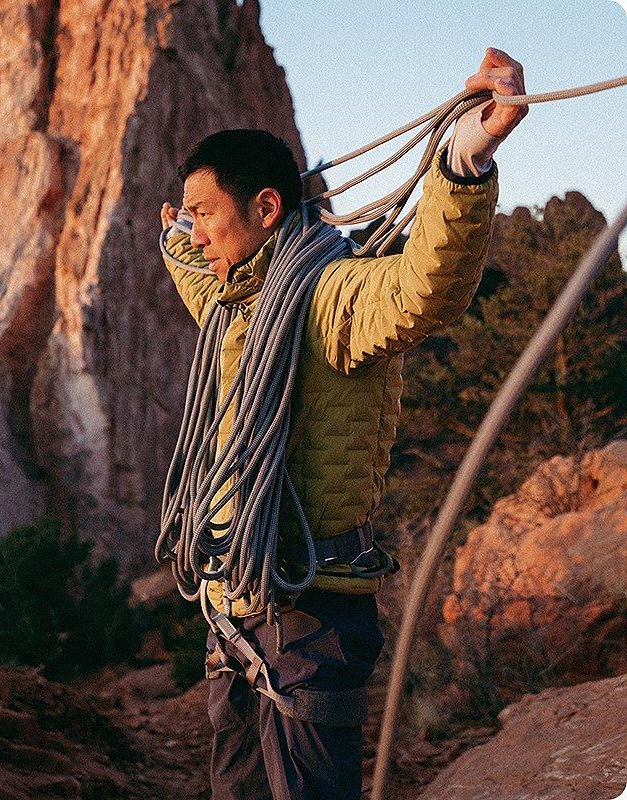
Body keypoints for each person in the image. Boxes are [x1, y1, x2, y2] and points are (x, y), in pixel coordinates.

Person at [158, 48, 527, 800]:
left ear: (266, 209)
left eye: (204, 216)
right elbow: (201, 282)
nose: (198, 236)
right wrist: (174, 238)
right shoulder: (238, 301)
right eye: (189, 219)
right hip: (234, 610)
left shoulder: (333, 297)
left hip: (310, 612)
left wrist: (464, 159)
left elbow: (424, 288)